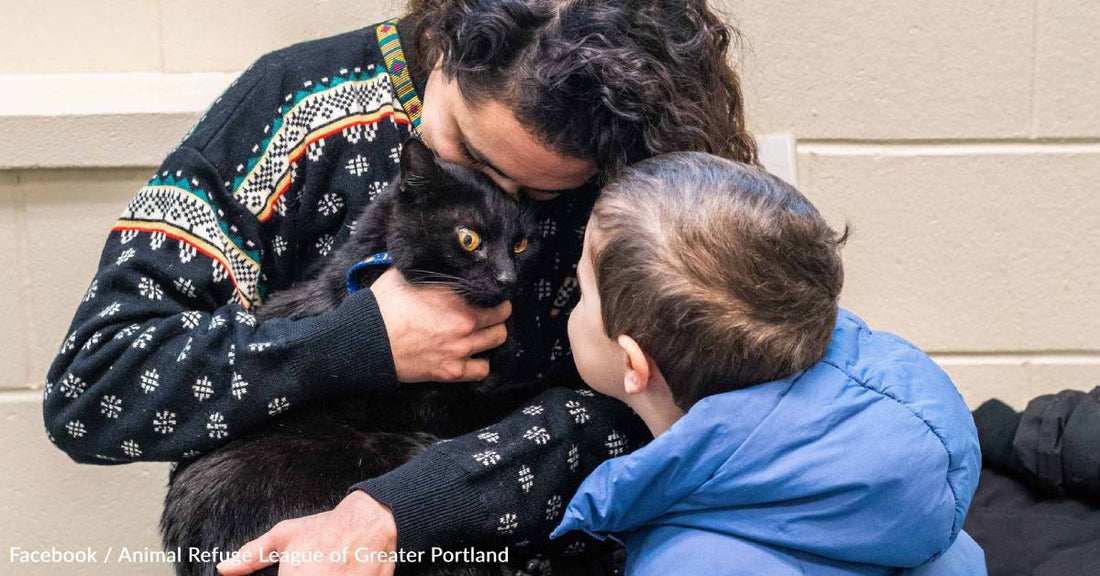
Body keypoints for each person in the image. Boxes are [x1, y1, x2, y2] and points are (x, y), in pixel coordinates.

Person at [43, 1, 755, 574]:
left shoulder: (635, 159)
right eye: (470, 154)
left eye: (537, 195)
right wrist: (349, 343)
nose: (499, 200)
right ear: (444, 41)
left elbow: (676, 412)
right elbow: (93, 389)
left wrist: (408, 507)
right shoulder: (291, 106)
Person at [547, 152, 988, 575]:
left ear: (633, 363)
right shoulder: (899, 476)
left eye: (585, 291)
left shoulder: (693, 565)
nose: (577, 303)